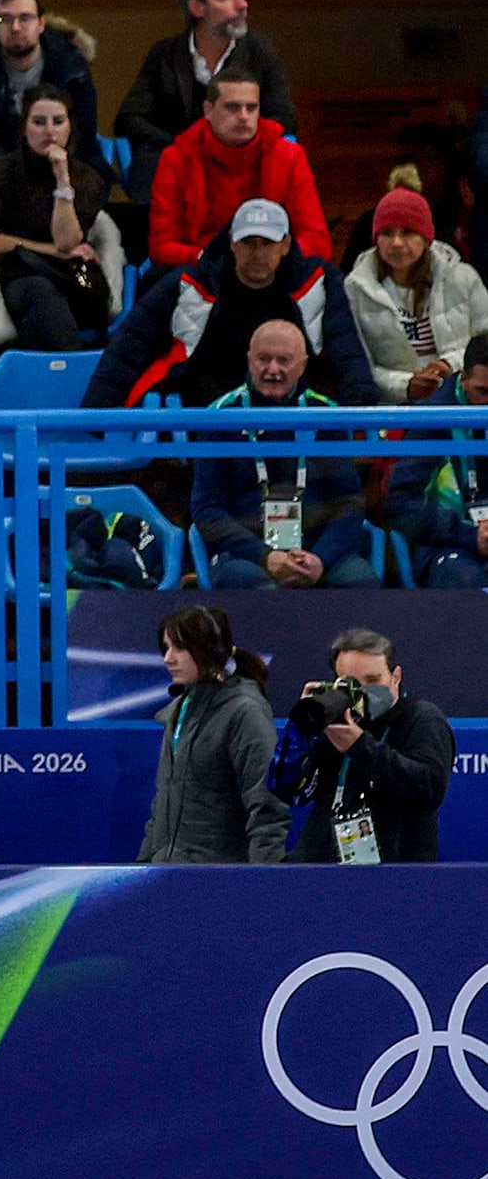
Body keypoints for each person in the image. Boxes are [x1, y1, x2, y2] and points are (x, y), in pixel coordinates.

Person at [85, 199, 375, 409]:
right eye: (248, 243)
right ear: (232, 242)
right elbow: (132, 344)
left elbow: (347, 350)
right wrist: (96, 413)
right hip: (209, 413)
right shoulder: (188, 283)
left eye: (267, 243)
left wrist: (359, 410)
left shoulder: (319, 284)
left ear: (286, 244)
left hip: (292, 408)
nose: (257, 253)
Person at [190, 318, 378, 589]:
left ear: (302, 365)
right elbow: (207, 509)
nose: (272, 369)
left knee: (359, 582)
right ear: (249, 361)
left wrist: (320, 559)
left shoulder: (326, 415)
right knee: (248, 583)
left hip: (316, 548)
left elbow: (348, 502)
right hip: (247, 553)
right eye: (263, 359)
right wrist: (266, 556)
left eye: (284, 360)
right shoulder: (219, 417)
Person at [115, 0, 297, 207]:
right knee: (151, 164)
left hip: (240, 159)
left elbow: (283, 116)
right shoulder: (165, 55)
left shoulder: (259, 52)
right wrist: (181, 146)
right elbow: (129, 118)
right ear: (197, 8)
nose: (242, 4)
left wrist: (235, 143)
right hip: (176, 161)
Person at [270, 628, 454, 864]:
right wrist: (300, 730)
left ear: (396, 676)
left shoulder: (422, 719)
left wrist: (360, 746)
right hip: (320, 867)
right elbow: (287, 790)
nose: (364, 691)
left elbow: (429, 788)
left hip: (391, 871)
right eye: (352, 683)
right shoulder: (335, 719)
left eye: (374, 680)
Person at [137, 603, 287, 863]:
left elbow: (267, 806)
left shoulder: (244, 711)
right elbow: (162, 807)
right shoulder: (178, 711)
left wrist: (265, 878)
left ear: (208, 649)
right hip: (166, 875)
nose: (168, 658)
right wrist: (145, 865)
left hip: (219, 878)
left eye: (179, 648)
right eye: (166, 647)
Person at [0, 85, 114, 349]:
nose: (49, 131)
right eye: (39, 122)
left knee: (44, 319)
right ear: (24, 127)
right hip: (20, 273)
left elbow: (66, 241)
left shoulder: (88, 179)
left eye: (58, 122)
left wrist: (62, 180)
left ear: (70, 127)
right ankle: (70, 367)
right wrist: (52, 251)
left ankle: (48, 368)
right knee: (41, 294)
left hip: (70, 277)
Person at [146, 68, 327, 270]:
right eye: (232, 107)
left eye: (252, 108)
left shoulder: (288, 156)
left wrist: (275, 257)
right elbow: (162, 245)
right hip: (201, 266)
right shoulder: (177, 158)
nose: (243, 116)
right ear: (208, 110)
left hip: (274, 268)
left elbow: (316, 239)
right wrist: (212, 260)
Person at [0, 0, 105, 197]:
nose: (15, 27)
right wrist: (13, 167)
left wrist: (50, 164)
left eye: (25, 18)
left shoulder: (72, 67)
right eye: (5, 19)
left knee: (89, 184)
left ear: (41, 24)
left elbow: (83, 130)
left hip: (63, 158)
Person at [344, 177, 488, 404]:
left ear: (427, 239)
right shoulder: (355, 289)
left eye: (408, 232)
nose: (396, 243)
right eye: (387, 233)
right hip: (393, 408)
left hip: (459, 399)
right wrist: (406, 386)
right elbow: (359, 367)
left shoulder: (463, 278)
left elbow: (485, 342)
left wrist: (449, 365)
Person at [382, 329, 488, 587]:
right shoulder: (431, 421)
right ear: (463, 379)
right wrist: (470, 535)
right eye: (483, 392)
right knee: (465, 581)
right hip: (448, 546)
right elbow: (400, 504)